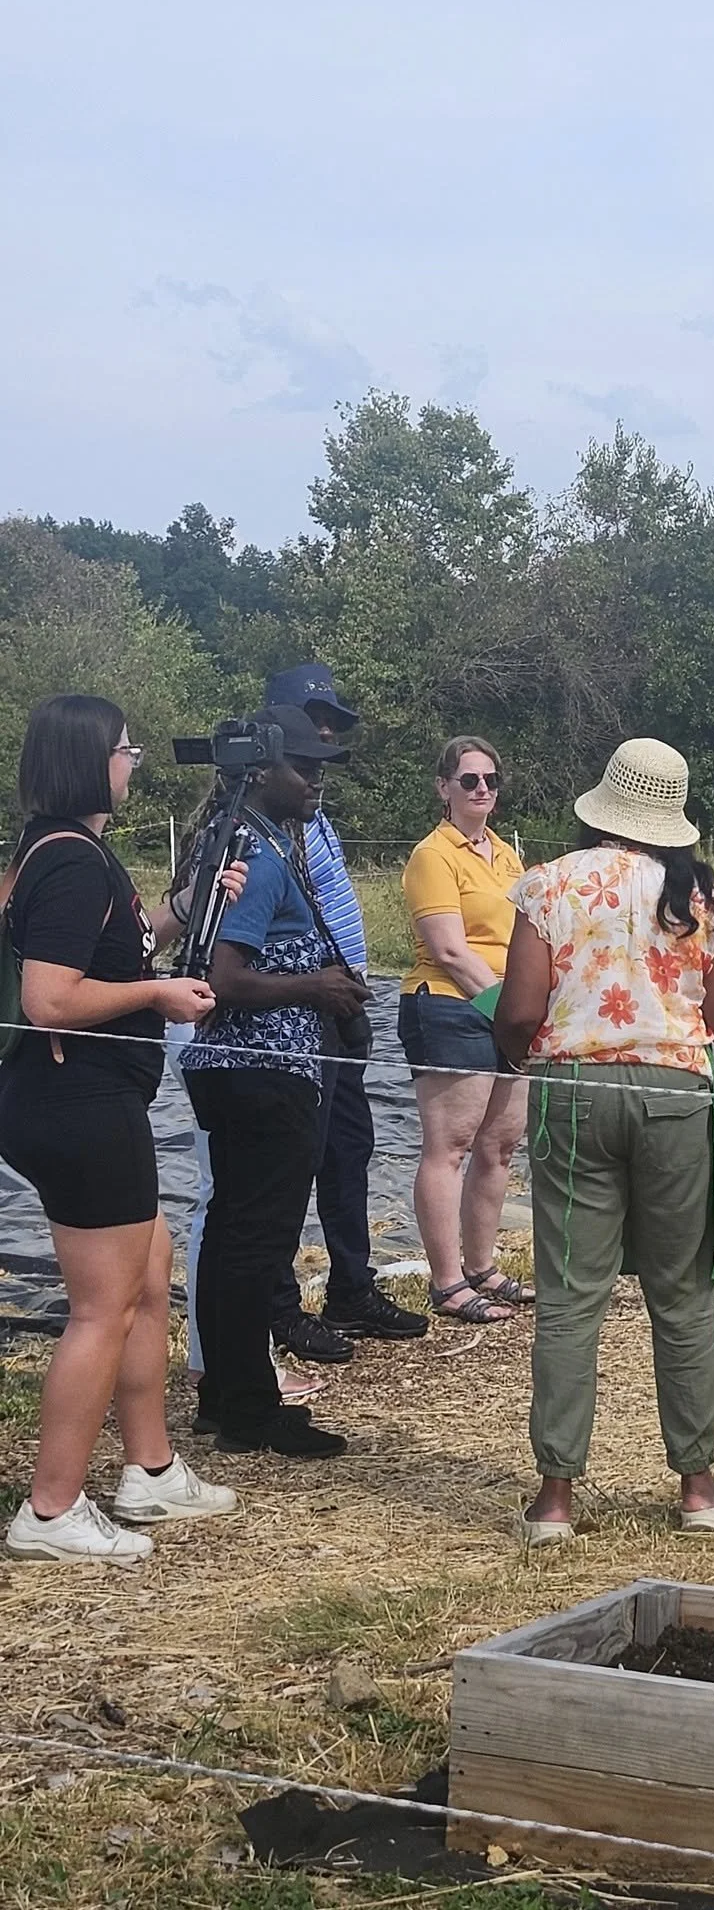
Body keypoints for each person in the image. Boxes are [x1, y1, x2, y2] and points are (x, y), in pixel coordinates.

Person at [495, 738, 714, 1543]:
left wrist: (522, 1052)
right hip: (675, 1093)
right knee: (681, 1292)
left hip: (573, 1093)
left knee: (571, 1294)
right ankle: (698, 1487)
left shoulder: (549, 884)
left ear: (602, 805)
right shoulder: (705, 896)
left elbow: (519, 1010)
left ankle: (554, 1499)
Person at [2, 694, 238, 1560]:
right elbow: (50, 999)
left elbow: (119, 949)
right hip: (78, 1104)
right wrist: (160, 995)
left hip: (85, 1100)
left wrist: (190, 905)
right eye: (125, 750)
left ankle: (151, 1469)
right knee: (102, 1309)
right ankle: (51, 1510)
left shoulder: (61, 849)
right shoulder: (70, 860)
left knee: (149, 1272)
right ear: (88, 760)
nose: (133, 762)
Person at [180, 707, 370, 1457]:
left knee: (234, 1236)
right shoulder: (256, 854)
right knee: (257, 1243)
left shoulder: (245, 840)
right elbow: (223, 977)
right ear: (261, 771)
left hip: (241, 1070)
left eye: (321, 766)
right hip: (264, 1070)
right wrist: (316, 986)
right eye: (304, 766)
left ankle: (226, 1398)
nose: (317, 779)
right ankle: (251, 1410)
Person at [262, 663, 427, 1356]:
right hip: (300, 1013)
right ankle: (278, 1308)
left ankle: (352, 1288)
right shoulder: (268, 818)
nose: (326, 733)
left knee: (348, 1148)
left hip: (341, 1005)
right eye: (314, 720)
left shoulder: (316, 811)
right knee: (290, 1160)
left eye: (332, 723)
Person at [399, 736, 531, 1324]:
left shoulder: (507, 855)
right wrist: (508, 1011)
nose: (482, 789)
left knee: (500, 1145)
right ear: (443, 787)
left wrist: (524, 1010)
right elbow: (450, 951)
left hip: (506, 1009)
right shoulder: (432, 856)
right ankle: (447, 1281)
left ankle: (482, 1266)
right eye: (469, 779)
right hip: (449, 1006)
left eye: (491, 780)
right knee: (449, 1145)